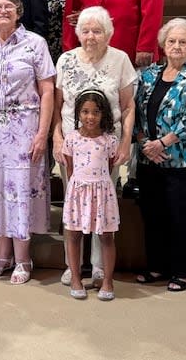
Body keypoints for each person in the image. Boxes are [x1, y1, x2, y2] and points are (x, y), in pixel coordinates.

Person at [61, 0, 164, 198]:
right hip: (93, 56)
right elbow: (73, 12)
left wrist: (146, 44)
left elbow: (153, 2)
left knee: (135, 112)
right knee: (99, 113)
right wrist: (71, 52)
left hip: (131, 51)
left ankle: (133, 172)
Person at [0, 0, 55, 285]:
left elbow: (47, 92)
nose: (2, 11)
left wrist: (42, 134)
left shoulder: (35, 44)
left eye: (8, 7)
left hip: (24, 129)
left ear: (19, 12)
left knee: (19, 191)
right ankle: (2, 257)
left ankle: (22, 259)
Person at [52, 6, 135, 287]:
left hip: (106, 149)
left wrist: (125, 142)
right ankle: (71, 266)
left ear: (108, 34)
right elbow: (58, 103)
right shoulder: (65, 60)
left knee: (103, 206)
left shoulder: (120, 59)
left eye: (97, 31)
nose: (91, 36)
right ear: (78, 34)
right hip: (72, 146)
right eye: (85, 31)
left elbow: (128, 106)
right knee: (72, 203)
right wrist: (56, 136)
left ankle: (99, 267)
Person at [134, 18, 186, 293]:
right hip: (149, 159)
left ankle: (181, 271)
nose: (176, 46)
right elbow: (137, 116)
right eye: (171, 41)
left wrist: (163, 143)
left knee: (183, 217)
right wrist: (146, 143)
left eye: (183, 42)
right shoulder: (147, 75)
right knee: (153, 215)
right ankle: (156, 266)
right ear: (163, 45)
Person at [62, 89, 119, 301]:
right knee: (74, 235)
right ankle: (76, 278)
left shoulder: (110, 141)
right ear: (78, 113)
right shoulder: (71, 138)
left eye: (95, 112)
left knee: (106, 236)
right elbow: (70, 169)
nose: (90, 117)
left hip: (102, 192)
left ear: (103, 114)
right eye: (85, 112)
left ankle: (107, 280)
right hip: (78, 193)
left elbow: (111, 166)